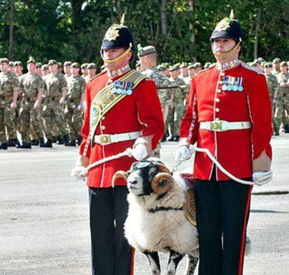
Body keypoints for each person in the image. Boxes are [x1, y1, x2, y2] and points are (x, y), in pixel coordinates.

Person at [175, 12, 273, 275]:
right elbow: (192, 118)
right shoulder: (200, 78)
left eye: (226, 42)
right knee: (206, 234)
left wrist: (261, 162)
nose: (219, 46)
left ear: (238, 45)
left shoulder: (253, 78)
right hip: (206, 167)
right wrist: (186, 141)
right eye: (216, 42)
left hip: (237, 167)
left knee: (233, 234)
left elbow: (262, 124)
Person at [73, 21, 164, 275]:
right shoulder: (94, 84)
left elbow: (154, 124)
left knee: (125, 235)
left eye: (115, 50)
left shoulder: (141, 83)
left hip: (126, 167)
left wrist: (143, 144)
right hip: (98, 167)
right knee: (99, 233)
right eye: (106, 50)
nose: (109, 55)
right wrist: (83, 159)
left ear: (128, 52)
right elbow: (88, 129)